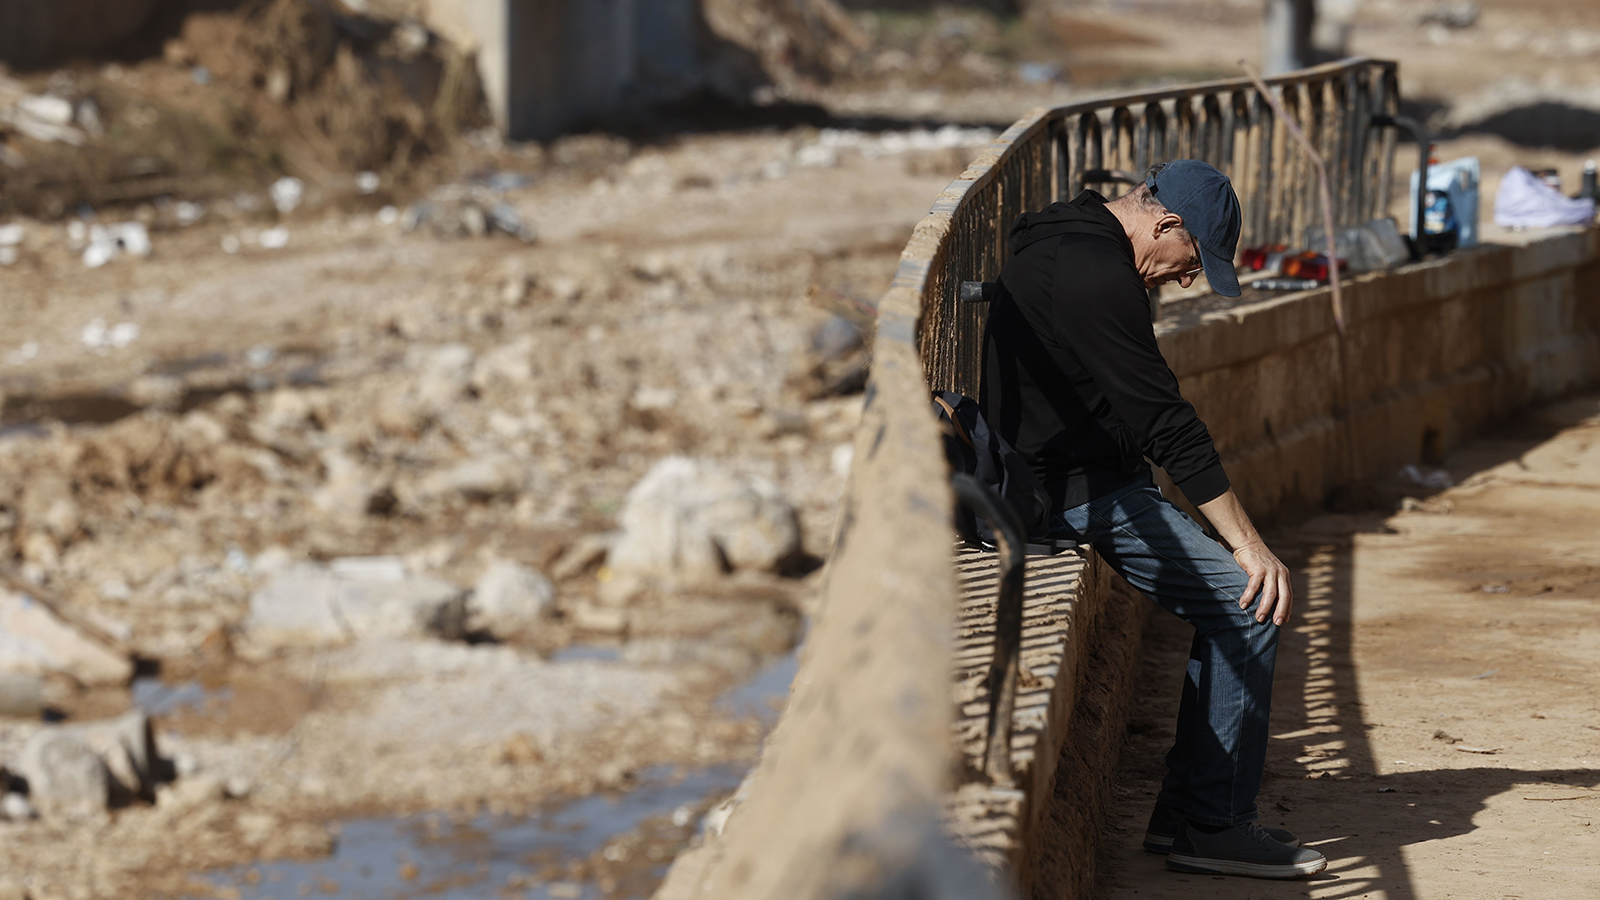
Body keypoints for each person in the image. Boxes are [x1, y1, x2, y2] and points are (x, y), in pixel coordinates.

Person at [978, 159, 1327, 879]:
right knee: (1250, 606)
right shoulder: (1095, 274)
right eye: (1193, 260)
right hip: (1076, 491)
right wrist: (1252, 546)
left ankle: (1184, 817)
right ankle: (1215, 824)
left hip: (1072, 475)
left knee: (1232, 605)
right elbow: (1167, 423)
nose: (1188, 278)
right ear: (1165, 224)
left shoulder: (1067, 241)